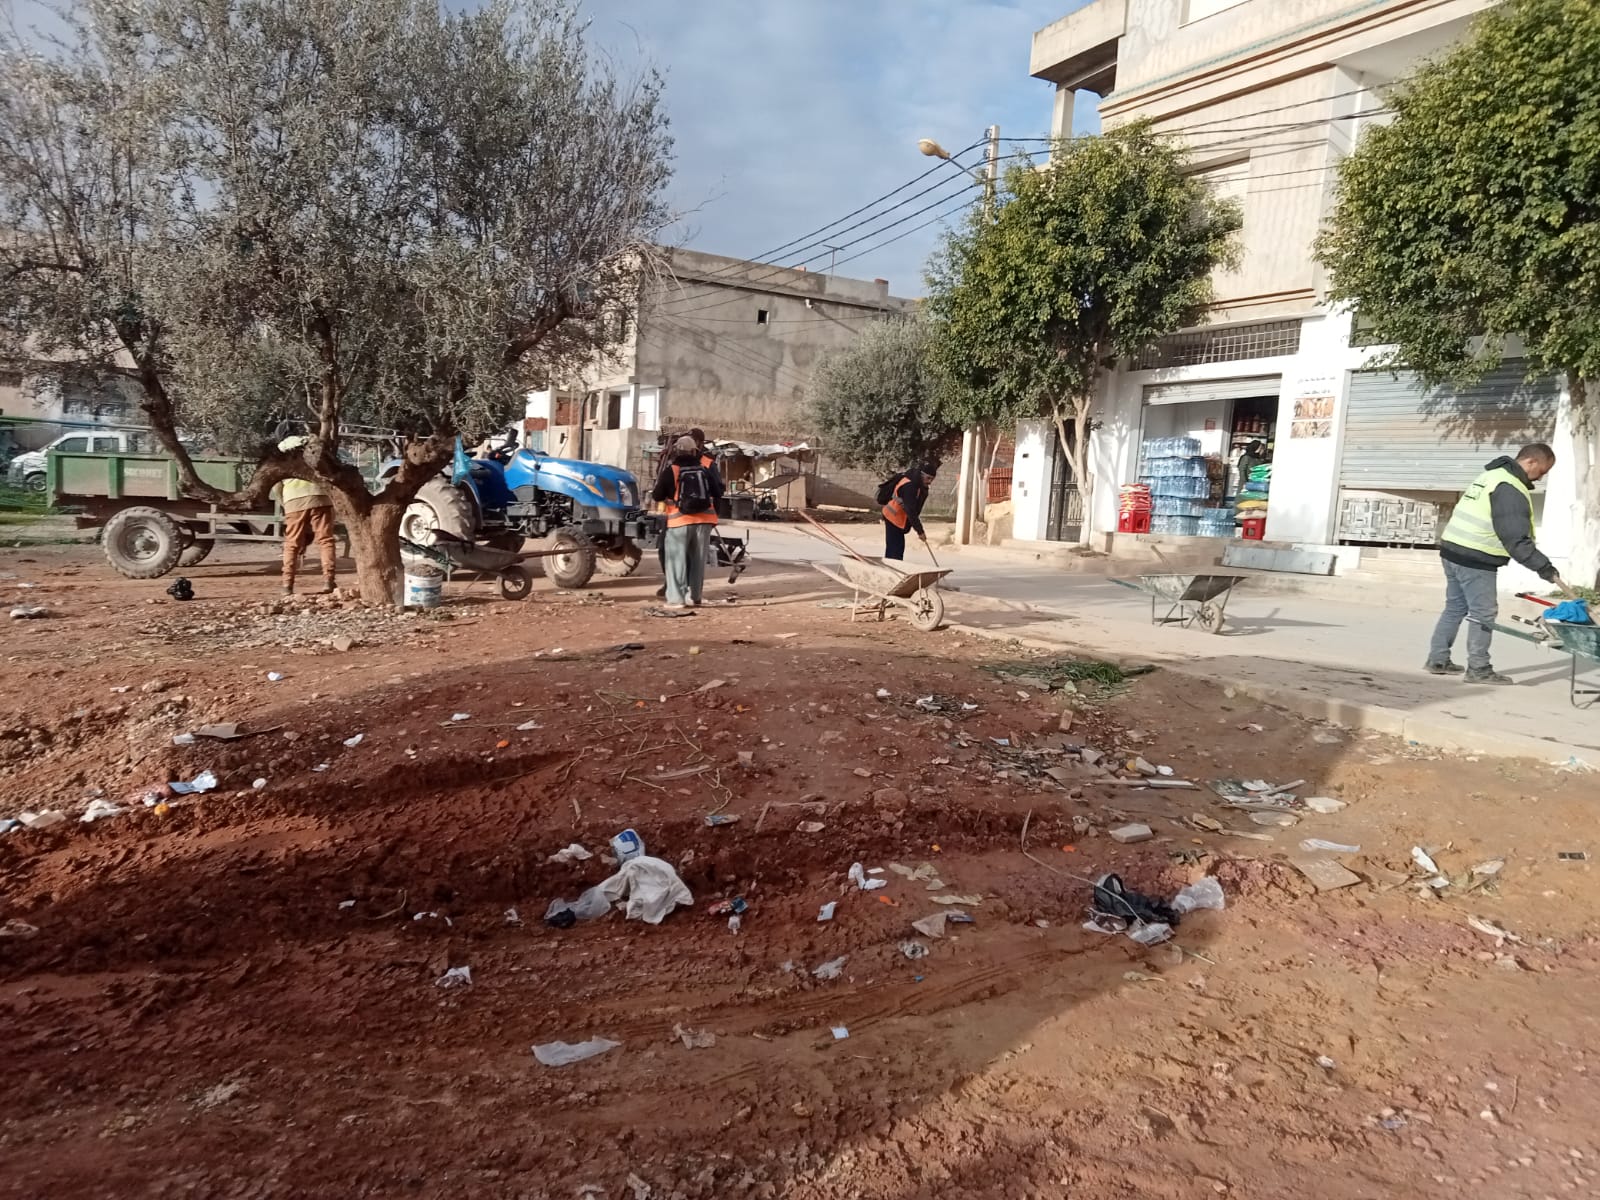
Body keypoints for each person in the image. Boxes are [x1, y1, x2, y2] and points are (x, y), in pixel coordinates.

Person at [1426, 443, 1568, 684]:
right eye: (1543, 471)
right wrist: (1544, 568)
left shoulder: (1492, 475)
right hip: (1475, 557)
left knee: (1455, 607)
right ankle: (1479, 669)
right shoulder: (1509, 487)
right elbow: (1516, 540)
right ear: (1531, 462)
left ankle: (1437, 659)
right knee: (1484, 613)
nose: (1541, 477)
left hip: (1452, 549)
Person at [652, 434, 724, 608]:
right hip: (704, 522)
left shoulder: (672, 471)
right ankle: (695, 597)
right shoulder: (704, 469)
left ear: (676, 451)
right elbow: (718, 491)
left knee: (676, 561)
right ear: (694, 451)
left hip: (680, 522)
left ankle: (676, 599)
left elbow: (657, 495)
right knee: (698, 561)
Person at [276, 435, 338, 596]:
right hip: (320, 498)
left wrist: (286, 504)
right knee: (325, 540)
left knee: (292, 544)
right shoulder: (314, 458)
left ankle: (287, 585)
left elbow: (277, 488)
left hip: (293, 501)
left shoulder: (283, 462)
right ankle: (329, 580)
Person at [881, 462, 937, 561]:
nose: (930, 482)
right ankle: (892, 568)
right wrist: (920, 531)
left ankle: (893, 566)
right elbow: (911, 510)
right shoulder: (910, 486)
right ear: (921, 474)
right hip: (893, 516)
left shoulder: (918, 484)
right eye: (928, 478)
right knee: (895, 550)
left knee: (896, 548)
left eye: (932, 479)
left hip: (898, 518)